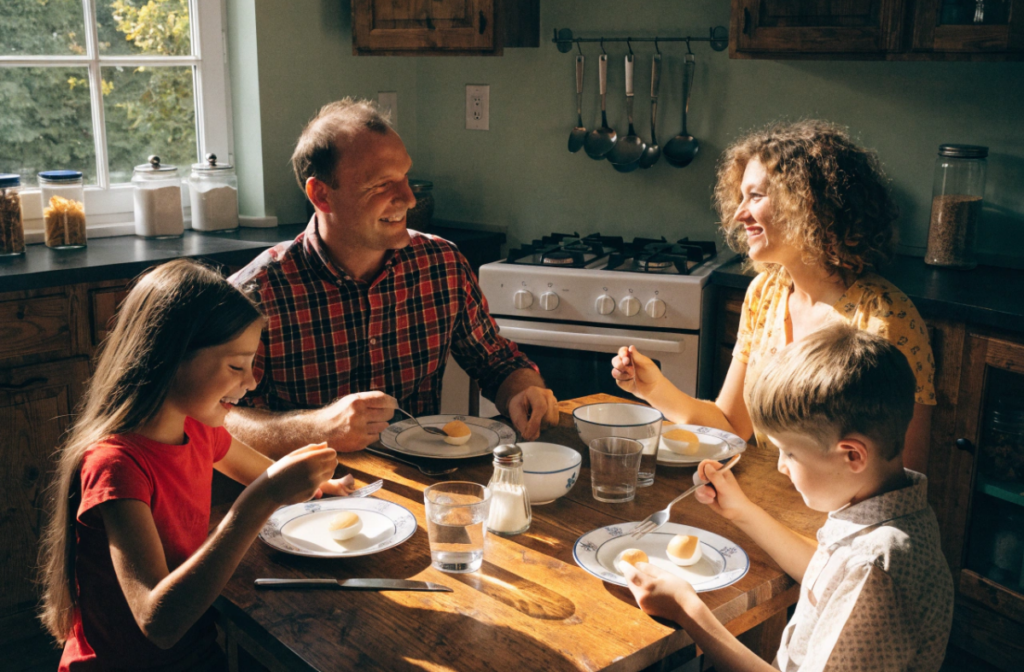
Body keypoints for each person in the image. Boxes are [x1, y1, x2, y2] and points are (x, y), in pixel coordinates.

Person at [37, 260, 355, 671]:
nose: (252, 382)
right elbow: (159, 622)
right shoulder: (116, 465)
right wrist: (257, 504)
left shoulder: (198, 429)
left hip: (197, 653)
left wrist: (317, 487)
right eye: (236, 365)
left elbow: (264, 475)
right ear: (169, 357)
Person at [227, 98, 558, 458]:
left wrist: (523, 389)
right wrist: (316, 429)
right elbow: (215, 420)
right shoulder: (255, 293)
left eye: (405, 177)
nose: (409, 198)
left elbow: (496, 362)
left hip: (422, 486)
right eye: (382, 184)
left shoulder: (442, 264)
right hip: (313, 500)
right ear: (321, 195)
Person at [621, 324, 954, 671]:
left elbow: (856, 574)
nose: (781, 466)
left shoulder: (874, 573)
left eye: (790, 454)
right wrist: (742, 512)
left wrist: (688, 610)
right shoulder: (889, 511)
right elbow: (827, 575)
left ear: (852, 455)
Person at [612, 120, 936, 472]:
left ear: (809, 203)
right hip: (772, 500)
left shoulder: (883, 317)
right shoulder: (765, 294)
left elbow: (906, 474)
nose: (739, 214)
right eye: (741, 197)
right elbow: (731, 426)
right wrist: (653, 388)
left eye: (755, 196)